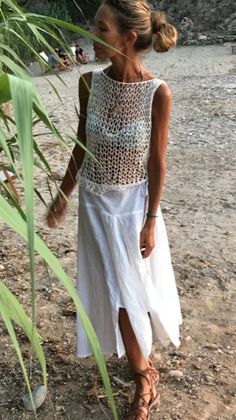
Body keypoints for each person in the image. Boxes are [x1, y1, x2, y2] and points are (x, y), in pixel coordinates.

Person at [46, 0, 182, 418]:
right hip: (94, 203)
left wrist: (151, 219)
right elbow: (80, 147)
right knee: (112, 285)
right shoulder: (90, 83)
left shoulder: (157, 92)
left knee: (129, 287)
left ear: (127, 38)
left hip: (131, 207)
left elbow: (156, 162)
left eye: (100, 29)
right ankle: (141, 367)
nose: (92, 35)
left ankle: (144, 372)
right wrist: (64, 195)